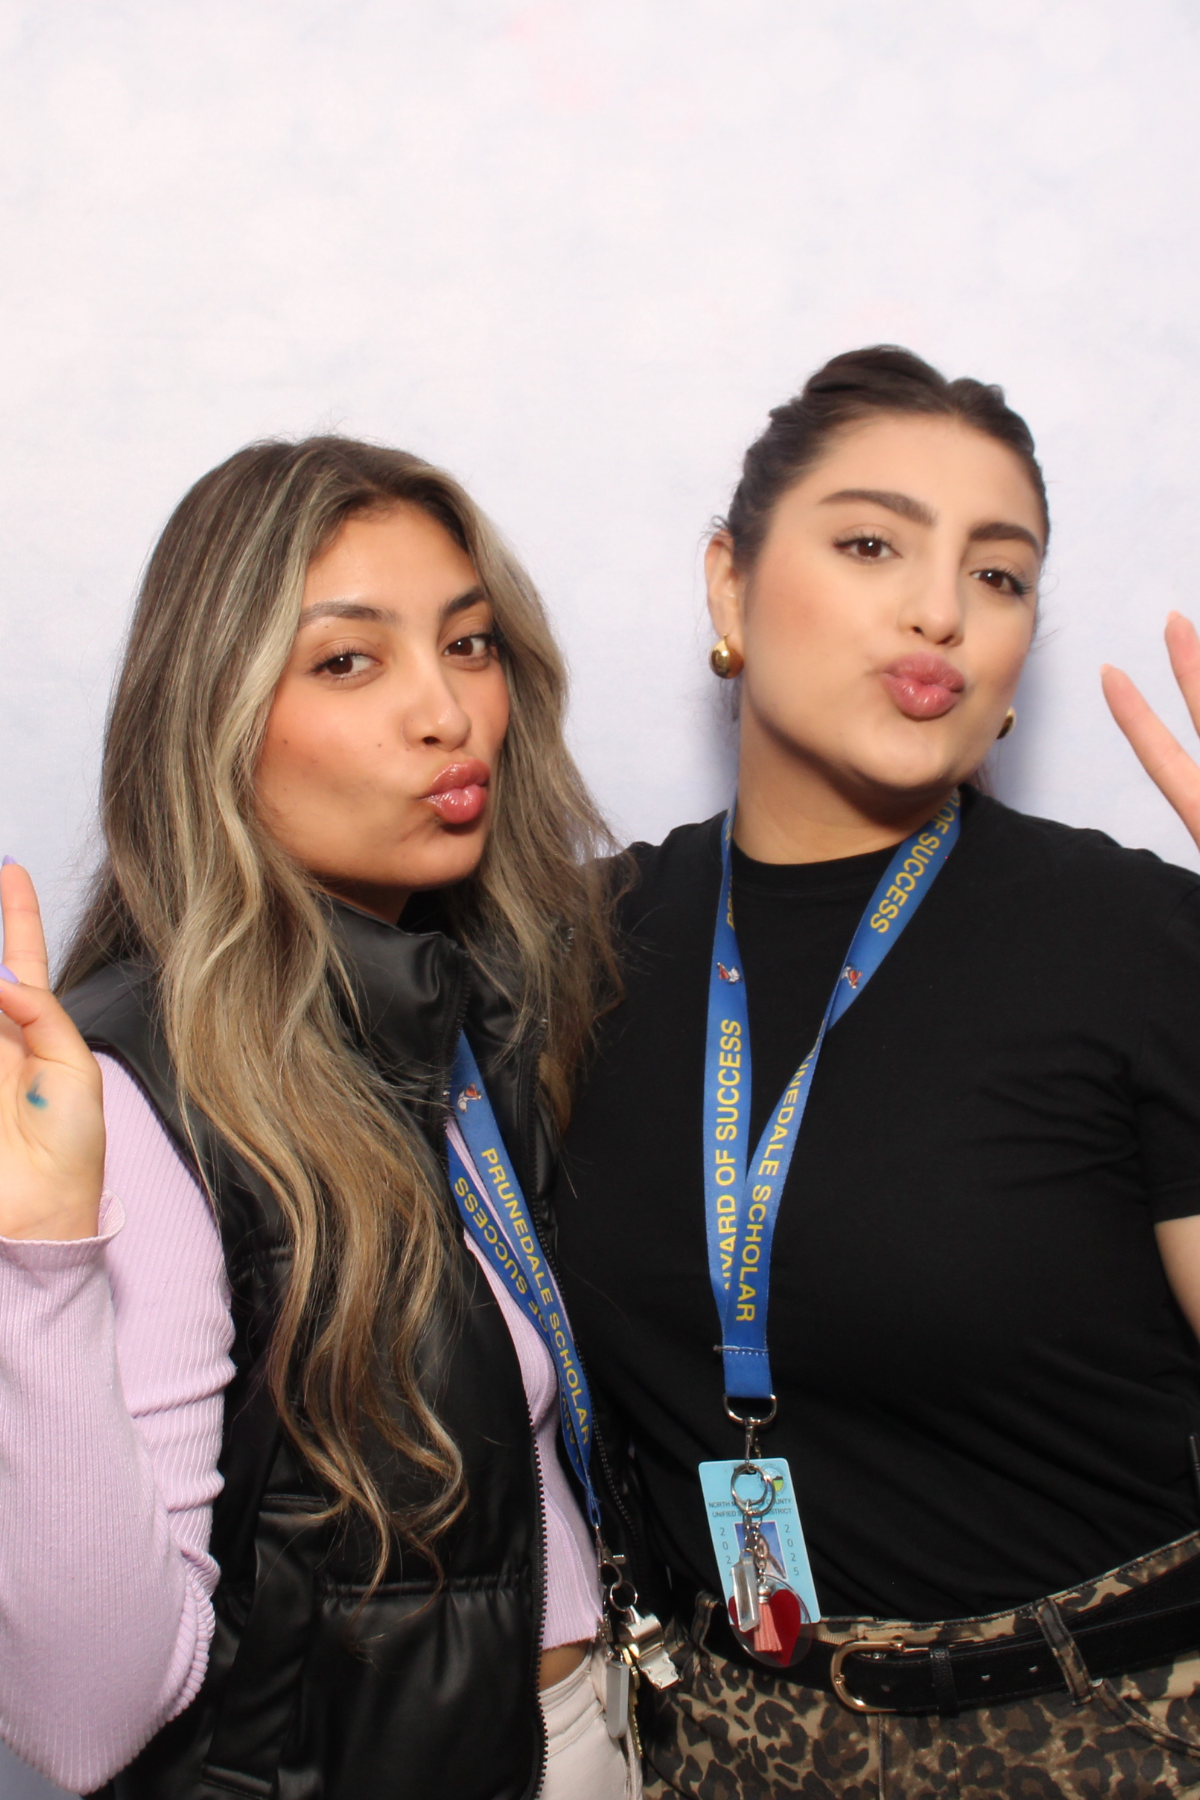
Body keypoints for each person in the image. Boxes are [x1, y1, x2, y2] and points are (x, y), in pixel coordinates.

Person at [552, 347, 1200, 1797]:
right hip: (723, 1746)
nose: (940, 610)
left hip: (1112, 1739)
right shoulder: (570, 954)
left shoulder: (1141, 940)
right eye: (870, 545)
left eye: (998, 574)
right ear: (730, 589)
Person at [0, 437, 640, 1799]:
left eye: (469, 644)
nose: (447, 711)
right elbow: (84, 1720)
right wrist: (42, 1261)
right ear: (215, 716)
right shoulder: (138, 1099)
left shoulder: (463, 1010)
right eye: (349, 660)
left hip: (583, 1734)